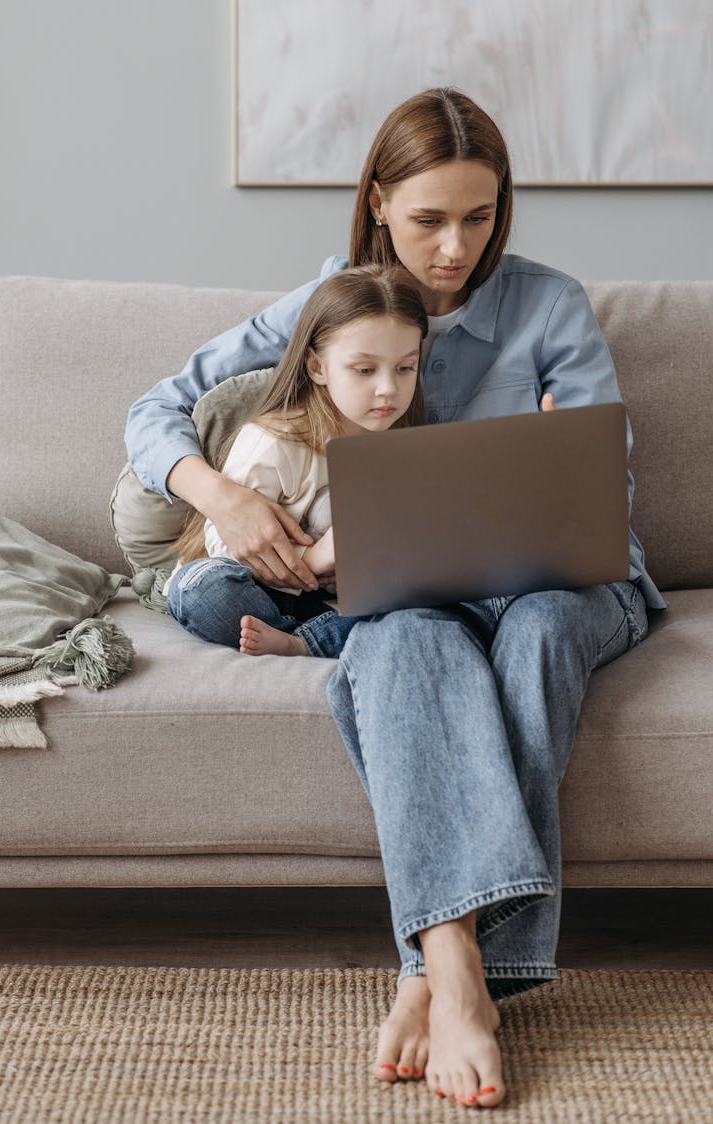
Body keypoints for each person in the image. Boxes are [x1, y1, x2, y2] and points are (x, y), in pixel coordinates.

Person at [125, 88, 665, 1110]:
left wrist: (556, 455)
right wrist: (224, 493)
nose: (456, 246)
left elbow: (607, 490)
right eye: (428, 219)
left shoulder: (549, 306)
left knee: (540, 632)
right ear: (378, 201)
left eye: (480, 216)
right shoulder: (336, 300)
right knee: (408, 638)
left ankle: (429, 969)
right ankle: (458, 968)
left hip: (564, 584)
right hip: (413, 597)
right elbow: (155, 408)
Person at [165, 265, 427, 658]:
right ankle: (326, 639)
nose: (388, 387)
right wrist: (316, 557)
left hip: (338, 604)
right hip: (258, 590)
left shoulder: (404, 444)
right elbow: (223, 542)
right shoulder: (275, 442)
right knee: (201, 589)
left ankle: (306, 641)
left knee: (442, 602)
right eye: (365, 369)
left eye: (405, 368)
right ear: (317, 367)